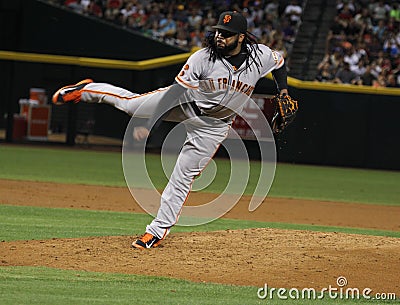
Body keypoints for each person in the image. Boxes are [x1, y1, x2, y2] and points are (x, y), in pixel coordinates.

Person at [52, 11, 291, 249]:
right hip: (185, 101)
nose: (220, 36)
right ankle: (87, 90)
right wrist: (148, 123)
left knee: (183, 175)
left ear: (241, 37)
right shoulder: (202, 58)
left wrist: (283, 92)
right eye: (218, 31)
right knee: (132, 105)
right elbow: (175, 93)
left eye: (227, 34)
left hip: (214, 125)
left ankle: (156, 231)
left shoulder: (259, 56)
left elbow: (279, 61)